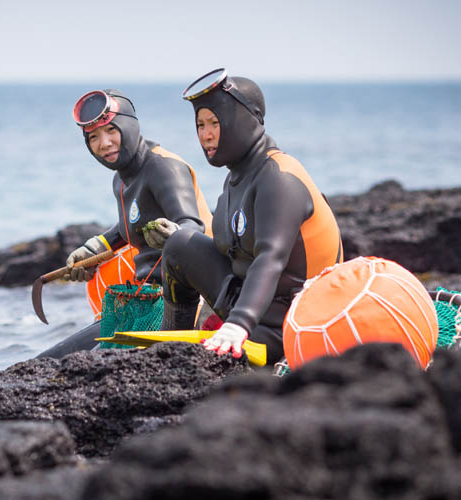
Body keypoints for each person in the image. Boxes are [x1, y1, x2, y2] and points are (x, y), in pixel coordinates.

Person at [158, 68, 343, 366]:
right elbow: (228, 251)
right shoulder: (236, 177)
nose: (206, 134)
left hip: (291, 324)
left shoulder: (279, 176)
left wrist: (237, 324)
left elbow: (270, 257)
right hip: (250, 302)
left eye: (216, 123)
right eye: (200, 124)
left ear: (243, 120)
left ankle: (222, 335)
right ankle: (170, 340)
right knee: (180, 245)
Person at [36, 88, 212, 358]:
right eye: (93, 137)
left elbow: (192, 226)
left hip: (188, 303)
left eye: (110, 131)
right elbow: (131, 223)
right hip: (144, 301)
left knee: (86, 368)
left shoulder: (163, 166)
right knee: (48, 362)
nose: (103, 143)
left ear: (129, 126)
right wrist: (96, 247)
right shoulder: (121, 178)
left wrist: (173, 235)